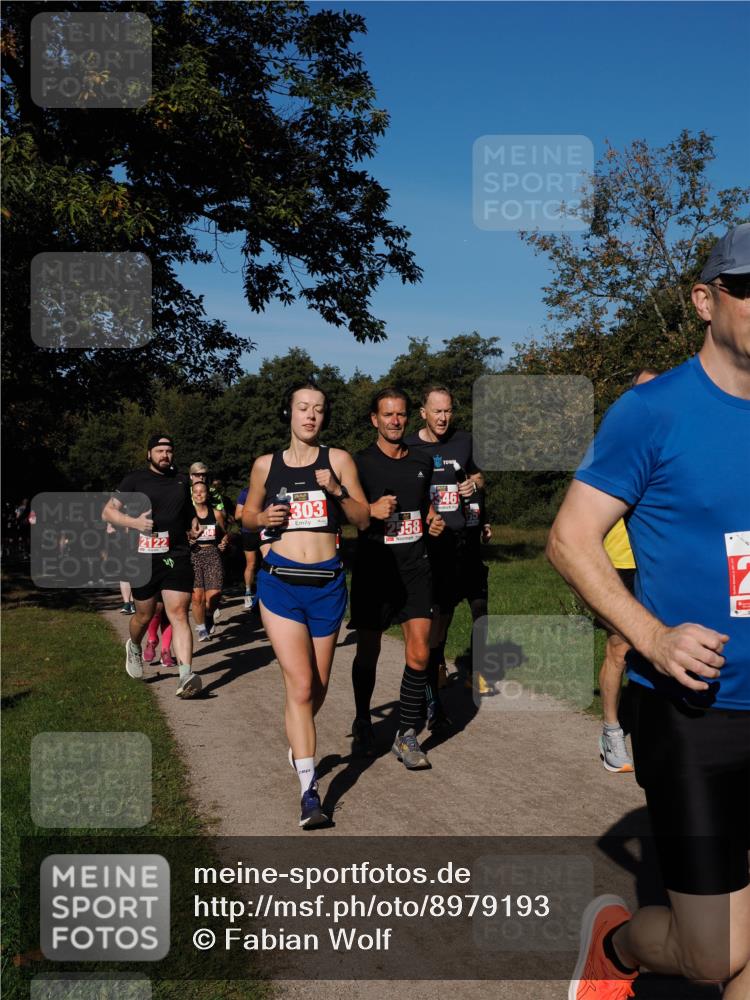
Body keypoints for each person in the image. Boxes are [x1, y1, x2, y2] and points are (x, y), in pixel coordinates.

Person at [547, 224, 750, 999]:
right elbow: (570, 540)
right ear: (705, 300)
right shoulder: (652, 411)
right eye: (747, 288)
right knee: (713, 957)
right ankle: (616, 946)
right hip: (693, 713)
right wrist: (653, 636)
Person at [241, 382, 370, 828]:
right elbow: (246, 517)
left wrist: (337, 490)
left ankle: (299, 742)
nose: (310, 415)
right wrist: (262, 518)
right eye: (302, 408)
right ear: (289, 414)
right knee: (299, 687)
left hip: (327, 587)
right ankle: (309, 794)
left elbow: (363, 518)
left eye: (318, 409)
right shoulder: (265, 465)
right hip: (280, 585)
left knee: (317, 687)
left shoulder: (339, 460)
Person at [350, 387, 445, 768]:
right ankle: (363, 718)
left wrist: (433, 519)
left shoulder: (422, 460)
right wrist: (370, 509)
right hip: (375, 567)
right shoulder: (360, 463)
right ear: (374, 419)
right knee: (368, 651)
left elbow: (424, 505)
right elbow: (348, 512)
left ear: (409, 417)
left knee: (420, 652)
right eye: (387, 414)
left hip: (415, 566)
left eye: (401, 414)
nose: (395, 421)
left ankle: (405, 734)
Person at [404, 386, 488, 725]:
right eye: (437, 411)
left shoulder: (465, 441)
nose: (443, 418)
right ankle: (430, 700)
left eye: (448, 411)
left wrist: (474, 485)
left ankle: (432, 675)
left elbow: (480, 476)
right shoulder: (408, 446)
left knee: (443, 618)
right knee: (428, 621)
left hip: (459, 543)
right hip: (425, 546)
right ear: (423, 412)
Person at [103, 434, 201, 698]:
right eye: (159, 450)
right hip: (142, 556)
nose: (164, 455)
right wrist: (134, 523)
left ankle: (185, 675)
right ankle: (134, 646)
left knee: (178, 613)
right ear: (149, 454)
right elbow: (108, 512)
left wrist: (193, 523)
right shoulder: (134, 480)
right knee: (144, 615)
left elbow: (187, 510)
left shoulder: (181, 480)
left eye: (168, 450)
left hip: (176, 553)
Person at [597, 368, 660, 774]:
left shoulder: (672, 441)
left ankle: (657, 724)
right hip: (619, 561)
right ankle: (611, 731)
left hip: (659, 562)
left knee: (659, 646)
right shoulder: (616, 443)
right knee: (621, 648)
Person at [189, 479, 229, 641]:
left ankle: (208, 615)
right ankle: (201, 629)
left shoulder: (216, 513)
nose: (199, 494)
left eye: (202, 491)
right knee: (197, 597)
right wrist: (188, 540)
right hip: (193, 555)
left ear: (207, 494)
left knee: (214, 595)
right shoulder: (187, 515)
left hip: (212, 554)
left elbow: (224, 533)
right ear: (192, 495)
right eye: (195, 492)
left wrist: (224, 542)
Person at [235, 484, 261, 610]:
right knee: (251, 564)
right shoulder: (246, 492)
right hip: (249, 532)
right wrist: (254, 512)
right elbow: (237, 515)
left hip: (266, 531)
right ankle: (248, 593)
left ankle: (265, 594)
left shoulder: (269, 488)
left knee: (268, 562)